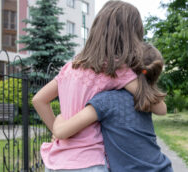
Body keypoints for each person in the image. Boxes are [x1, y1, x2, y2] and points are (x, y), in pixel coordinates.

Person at [32, 1, 167, 171]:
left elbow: (39, 100)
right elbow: (159, 107)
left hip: (55, 161)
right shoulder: (115, 70)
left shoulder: (70, 68)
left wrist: (58, 131)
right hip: (89, 161)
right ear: (130, 38)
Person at [52, 43, 173, 172]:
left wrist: (59, 118)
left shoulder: (106, 100)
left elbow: (61, 132)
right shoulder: (145, 102)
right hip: (162, 167)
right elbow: (163, 109)